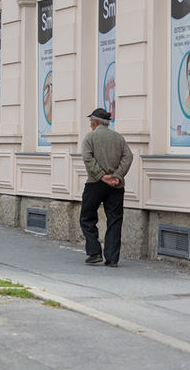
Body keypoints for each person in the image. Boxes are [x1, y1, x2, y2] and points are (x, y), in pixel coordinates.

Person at [79, 107, 132, 267]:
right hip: (116, 186)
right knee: (115, 219)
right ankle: (112, 259)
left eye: (90, 122)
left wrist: (102, 176)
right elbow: (128, 156)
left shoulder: (90, 138)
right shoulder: (118, 138)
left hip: (95, 183)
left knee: (87, 217)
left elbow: (87, 158)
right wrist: (117, 175)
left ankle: (95, 253)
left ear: (95, 122)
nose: (90, 125)